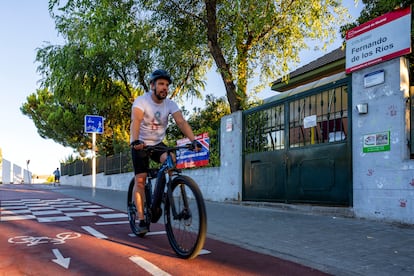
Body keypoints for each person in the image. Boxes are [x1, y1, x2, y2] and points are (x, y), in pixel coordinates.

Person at [130, 69, 200, 234]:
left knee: (171, 159)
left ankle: (160, 196)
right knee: (140, 180)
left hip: (157, 143)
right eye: (161, 84)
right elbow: (136, 120)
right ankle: (141, 219)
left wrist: (193, 140)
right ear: (152, 85)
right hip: (140, 144)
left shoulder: (170, 104)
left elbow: (181, 122)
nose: (165, 88)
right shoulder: (142, 101)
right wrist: (135, 141)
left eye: (167, 85)